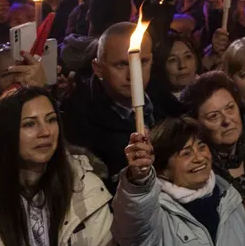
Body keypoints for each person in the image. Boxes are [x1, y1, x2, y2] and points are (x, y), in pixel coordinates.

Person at [0, 87, 114, 246]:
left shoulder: (86, 189)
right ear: (5, 134)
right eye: (30, 124)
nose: (45, 132)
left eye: (51, 120)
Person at [113, 117, 245, 246]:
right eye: (186, 153)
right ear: (163, 169)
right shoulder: (154, 215)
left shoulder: (229, 196)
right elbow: (134, 228)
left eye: (201, 147)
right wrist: (140, 179)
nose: (199, 158)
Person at [180, 72, 245, 246]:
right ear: (196, 125)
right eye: (214, 116)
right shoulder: (197, 169)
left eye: (230, 108)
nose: (227, 120)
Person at [63, 21, 168, 185]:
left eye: (142, 62)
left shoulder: (163, 97)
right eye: (120, 65)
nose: (133, 75)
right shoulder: (78, 119)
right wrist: (133, 176)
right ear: (98, 68)